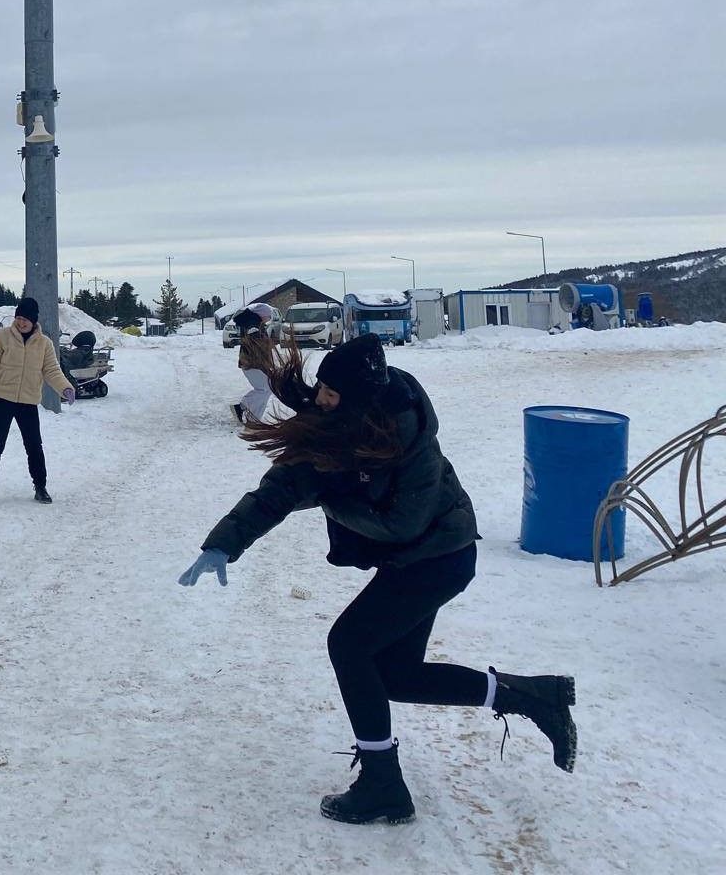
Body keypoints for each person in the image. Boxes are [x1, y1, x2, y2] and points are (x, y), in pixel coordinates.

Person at [177, 333, 576, 825]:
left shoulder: (409, 438)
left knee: (349, 645)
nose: (321, 397)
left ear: (359, 398)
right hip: (411, 561)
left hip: (439, 558)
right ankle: (533, 695)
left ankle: (383, 784)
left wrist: (331, 497)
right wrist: (224, 542)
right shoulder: (334, 422)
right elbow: (279, 489)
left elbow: (402, 524)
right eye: (321, 386)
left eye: (331, 391)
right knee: (397, 676)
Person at [0, 297, 75, 506]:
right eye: (18, 318)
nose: (21, 322)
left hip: (27, 401)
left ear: (34, 320)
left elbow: (51, 370)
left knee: (34, 445)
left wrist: (65, 387)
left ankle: (40, 487)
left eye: (25, 319)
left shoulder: (44, 343)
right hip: (2, 399)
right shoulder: (2, 337)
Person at [230, 302, 277, 424]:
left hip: (254, 363)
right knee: (264, 389)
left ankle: (254, 418)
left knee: (266, 389)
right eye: (268, 315)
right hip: (252, 363)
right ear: (262, 314)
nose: (269, 318)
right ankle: (240, 408)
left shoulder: (255, 323)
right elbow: (256, 345)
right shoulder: (253, 326)